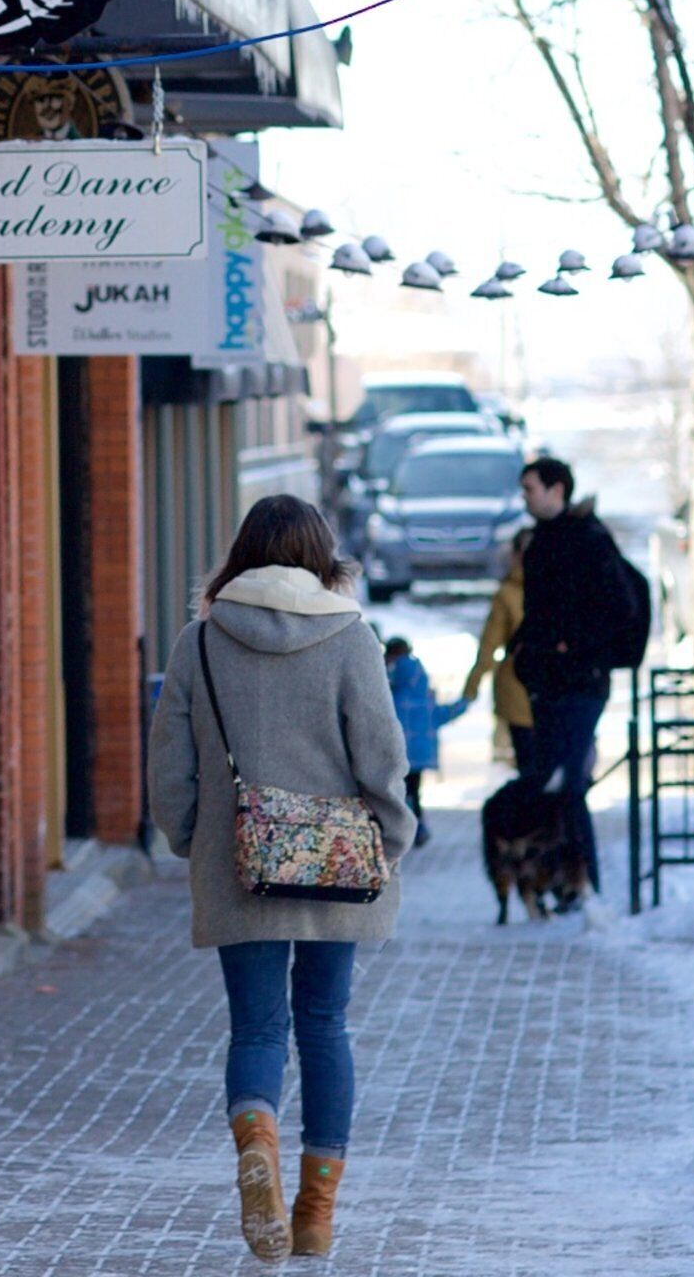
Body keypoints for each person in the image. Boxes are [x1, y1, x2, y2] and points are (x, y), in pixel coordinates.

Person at [149, 495, 416, 1263]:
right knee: (324, 1025)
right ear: (322, 558)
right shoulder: (350, 637)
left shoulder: (199, 643)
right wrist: (392, 839)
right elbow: (382, 757)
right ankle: (314, 1216)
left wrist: (193, 841)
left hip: (241, 864)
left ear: (241, 554)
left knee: (258, 1028)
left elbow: (172, 767)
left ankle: (256, 1135)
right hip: (338, 866)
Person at [505, 456, 650, 894]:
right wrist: (527, 651)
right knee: (551, 784)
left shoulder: (586, 539)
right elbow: (539, 610)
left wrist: (574, 645)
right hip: (547, 681)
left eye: (531, 488)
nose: (525, 497)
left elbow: (619, 606)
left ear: (556, 490)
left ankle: (586, 884)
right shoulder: (542, 541)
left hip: (580, 682)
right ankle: (563, 882)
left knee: (568, 783)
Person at [381, 635, 473, 850]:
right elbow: (441, 715)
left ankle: (402, 829)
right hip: (421, 753)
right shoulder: (422, 691)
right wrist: (465, 702)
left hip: (398, 752)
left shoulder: (389, 690)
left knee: (399, 792)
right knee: (414, 790)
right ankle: (419, 827)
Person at [457, 531, 535, 768]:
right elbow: (490, 644)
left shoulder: (511, 593)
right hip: (527, 691)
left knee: (531, 767)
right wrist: (472, 685)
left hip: (525, 692)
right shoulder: (511, 593)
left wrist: (472, 687)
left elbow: (490, 645)